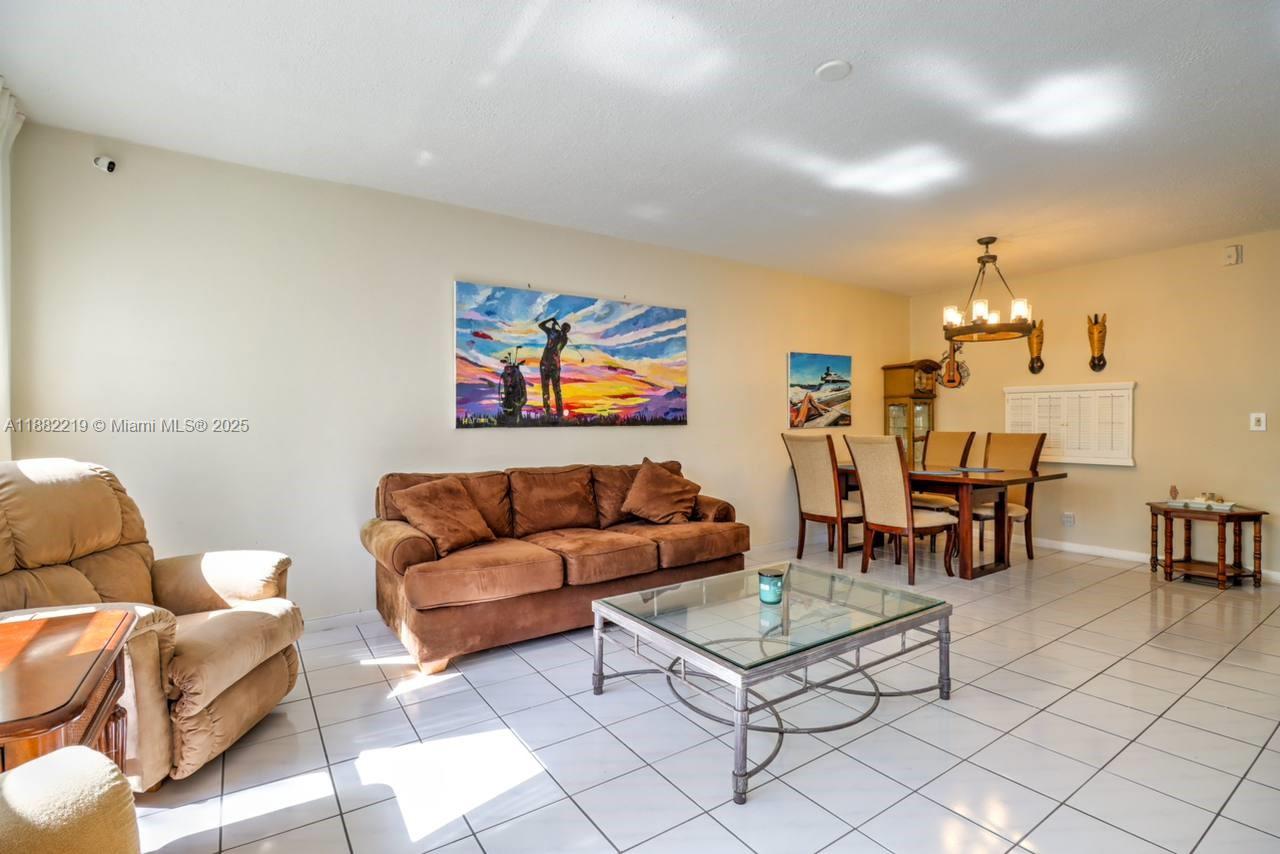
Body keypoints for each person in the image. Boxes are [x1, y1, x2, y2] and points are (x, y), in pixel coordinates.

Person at [537, 317, 570, 419]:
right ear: (562, 327)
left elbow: (557, 344)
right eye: (564, 327)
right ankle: (547, 412)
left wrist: (553, 326)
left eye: (566, 329)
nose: (564, 329)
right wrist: (550, 320)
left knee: (557, 390)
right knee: (545, 389)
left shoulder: (564, 338)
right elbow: (541, 325)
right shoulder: (554, 332)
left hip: (554, 366)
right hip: (545, 364)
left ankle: (559, 414)